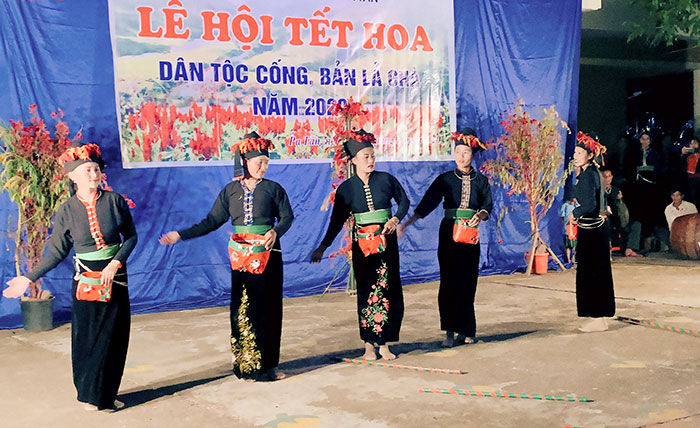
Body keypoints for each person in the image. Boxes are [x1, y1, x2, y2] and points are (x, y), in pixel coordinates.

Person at [3, 142, 137, 411]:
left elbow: (131, 237)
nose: (94, 175)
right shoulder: (67, 210)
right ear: (73, 176)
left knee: (114, 338)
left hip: (115, 279)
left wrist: (115, 263)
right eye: (87, 170)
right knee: (88, 340)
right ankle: (90, 396)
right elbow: (56, 253)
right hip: (86, 282)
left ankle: (107, 395)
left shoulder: (115, 201)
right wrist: (28, 278)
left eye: (96, 169)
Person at [159, 132, 293, 381]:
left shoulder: (273, 189)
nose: (263, 167)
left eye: (266, 162)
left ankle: (268, 367)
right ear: (245, 162)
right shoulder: (230, 191)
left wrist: (276, 231)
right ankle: (245, 366)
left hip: (268, 255)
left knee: (269, 307)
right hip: (242, 258)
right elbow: (211, 221)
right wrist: (181, 234)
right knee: (242, 307)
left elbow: (287, 217)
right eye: (258, 162)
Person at [310, 130, 409, 360]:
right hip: (363, 246)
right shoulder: (346, 189)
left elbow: (404, 201)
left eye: (373, 156)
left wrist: (395, 219)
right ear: (354, 160)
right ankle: (368, 345)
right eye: (366, 157)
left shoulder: (386, 180)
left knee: (388, 289)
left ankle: (384, 343)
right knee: (366, 291)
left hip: (386, 243)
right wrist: (323, 247)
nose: (371, 160)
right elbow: (336, 222)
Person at [399, 128, 492, 346]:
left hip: (470, 234)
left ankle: (467, 330)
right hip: (449, 232)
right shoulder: (446, 179)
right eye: (458, 152)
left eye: (466, 152)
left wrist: (480, 215)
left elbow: (487, 205)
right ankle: (449, 331)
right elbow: (428, 203)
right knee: (449, 280)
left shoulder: (481, 181)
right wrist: (407, 223)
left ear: (472, 154)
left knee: (468, 281)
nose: (461, 156)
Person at [569, 132, 615, 332]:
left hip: (593, 231)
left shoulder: (589, 175)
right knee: (597, 272)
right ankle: (600, 317)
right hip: (596, 229)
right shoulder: (591, 172)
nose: (576, 156)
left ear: (589, 155)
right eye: (575, 153)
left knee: (593, 273)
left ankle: (598, 317)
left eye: (580, 153)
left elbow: (589, 204)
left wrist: (574, 213)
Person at [559, 196, 578, 264]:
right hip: (567, 229)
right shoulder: (565, 206)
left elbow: (580, 210)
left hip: (574, 229)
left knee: (574, 245)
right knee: (568, 245)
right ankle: (568, 260)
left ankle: (573, 259)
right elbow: (562, 217)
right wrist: (568, 222)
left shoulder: (576, 205)